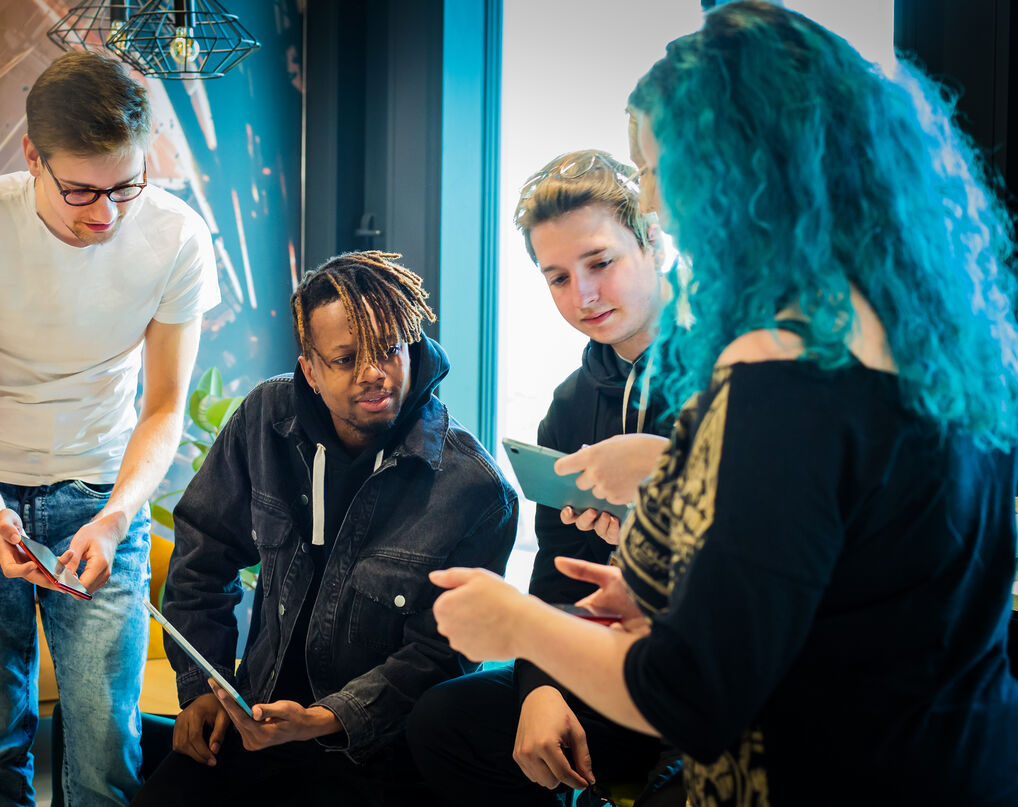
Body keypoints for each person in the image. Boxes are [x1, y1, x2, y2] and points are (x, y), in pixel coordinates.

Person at [429, 3, 1018, 806]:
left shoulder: (781, 369)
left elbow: (694, 695)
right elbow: (854, 583)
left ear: (737, 172)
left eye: (658, 169)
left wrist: (514, 623)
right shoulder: (939, 336)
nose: (657, 201)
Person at [0, 51, 216, 806]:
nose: (105, 214)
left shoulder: (177, 237)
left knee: (108, 748)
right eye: (79, 189)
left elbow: (165, 405)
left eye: (125, 186)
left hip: (101, 494)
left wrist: (114, 519)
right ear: (32, 157)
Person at [131, 251, 519, 806]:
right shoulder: (266, 418)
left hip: (376, 752)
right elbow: (203, 551)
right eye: (346, 359)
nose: (374, 374)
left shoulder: (473, 490)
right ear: (310, 369)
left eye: (389, 349)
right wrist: (204, 687)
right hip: (255, 722)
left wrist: (321, 720)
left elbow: (439, 656)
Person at [407, 151, 683, 806]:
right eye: (557, 277)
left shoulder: (735, 373)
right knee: (442, 722)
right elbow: (557, 575)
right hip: (611, 665)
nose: (582, 295)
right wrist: (542, 688)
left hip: (716, 668)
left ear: (655, 242)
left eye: (600, 262)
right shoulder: (570, 404)